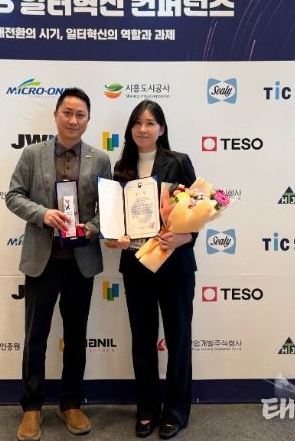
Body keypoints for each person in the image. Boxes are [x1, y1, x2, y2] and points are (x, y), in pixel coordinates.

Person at [6, 88, 112, 441]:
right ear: (55, 115)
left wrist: (90, 229)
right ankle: (32, 407)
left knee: (76, 335)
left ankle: (71, 403)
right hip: (42, 260)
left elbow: (107, 211)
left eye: (80, 114)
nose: (73, 120)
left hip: (80, 262)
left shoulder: (100, 159)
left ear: (88, 120)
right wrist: (42, 214)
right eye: (67, 112)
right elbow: (13, 196)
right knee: (36, 335)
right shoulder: (32, 154)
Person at [110, 100, 197, 440]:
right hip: (137, 266)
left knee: (178, 339)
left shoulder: (179, 162)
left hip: (175, 265)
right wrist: (116, 237)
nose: (143, 129)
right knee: (143, 341)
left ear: (161, 128)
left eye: (149, 123)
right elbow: (115, 219)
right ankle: (146, 410)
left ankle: (176, 412)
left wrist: (185, 236)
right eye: (137, 123)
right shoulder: (121, 168)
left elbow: (197, 210)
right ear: (130, 129)